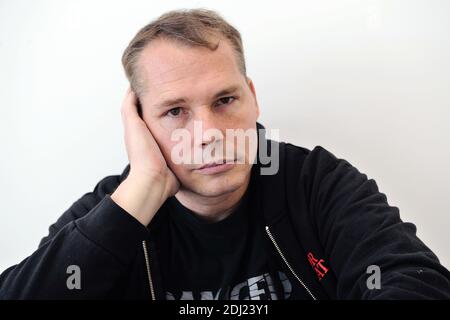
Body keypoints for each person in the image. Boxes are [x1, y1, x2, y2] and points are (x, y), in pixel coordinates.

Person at [1, 8, 449, 300]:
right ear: (139, 123)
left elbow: (415, 283)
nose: (210, 133)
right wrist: (144, 188)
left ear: (252, 98)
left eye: (225, 101)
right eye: (175, 111)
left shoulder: (312, 182)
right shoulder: (115, 210)